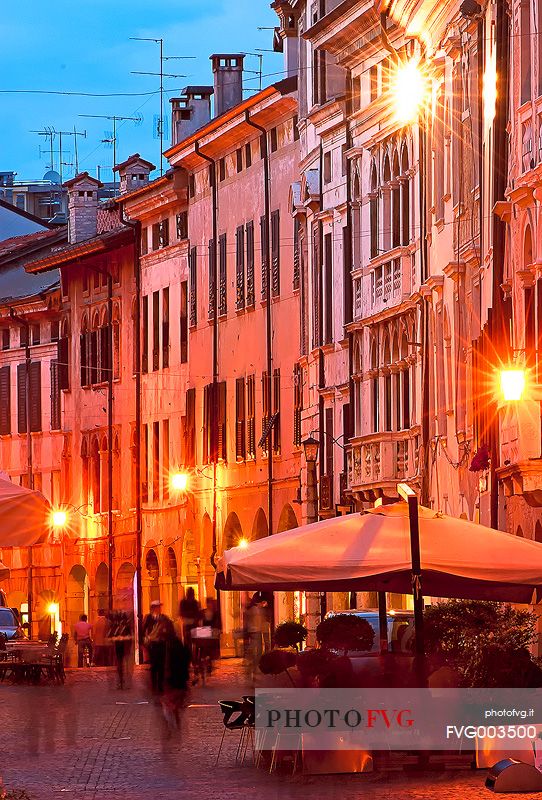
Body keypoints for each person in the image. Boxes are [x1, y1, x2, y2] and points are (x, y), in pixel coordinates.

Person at [142, 600, 174, 695]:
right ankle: (154, 685)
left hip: (162, 644)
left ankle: (160, 686)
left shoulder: (164, 618)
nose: (158, 609)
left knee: (161, 665)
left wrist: (167, 637)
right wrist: (144, 641)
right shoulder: (148, 618)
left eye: (159, 607)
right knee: (154, 666)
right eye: (156, 607)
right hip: (153, 644)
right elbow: (143, 630)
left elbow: (171, 630)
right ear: (152, 608)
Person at [108, 610, 133, 689]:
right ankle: (122, 681)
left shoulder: (120, 626)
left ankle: (122, 681)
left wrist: (122, 638)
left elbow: (130, 636)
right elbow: (110, 636)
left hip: (123, 646)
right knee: (121, 665)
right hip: (121, 646)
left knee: (122, 665)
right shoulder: (116, 626)